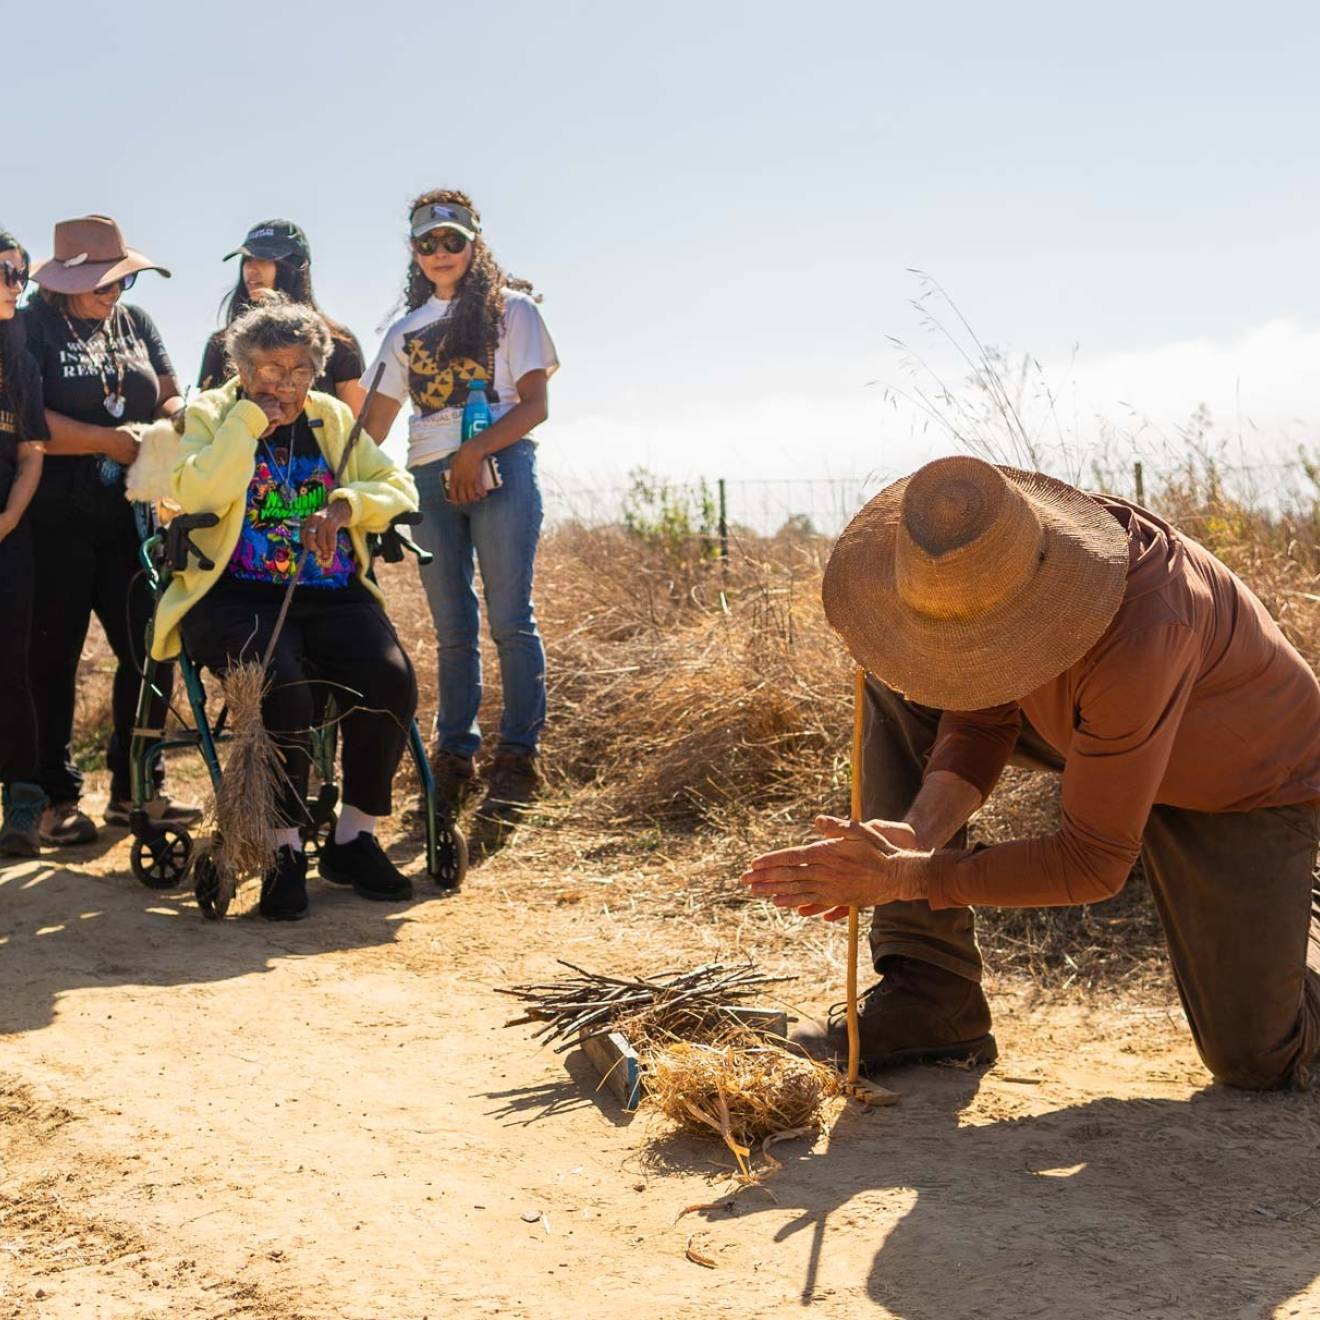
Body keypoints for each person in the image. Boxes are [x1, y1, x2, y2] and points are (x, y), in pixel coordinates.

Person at [743, 455, 1320, 1091]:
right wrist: (915, 834)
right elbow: (982, 716)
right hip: (1101, 733)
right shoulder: (1010, 564)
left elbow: (1093, 863)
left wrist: (906, 877)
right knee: (907, 687)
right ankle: (932, 995)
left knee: (1255, 1059)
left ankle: (1302, 921)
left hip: (1239, 784)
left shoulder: (1148, 623)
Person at [155, 297, 420, 921]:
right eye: (271, 370)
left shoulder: (330, 417)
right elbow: (195, 490)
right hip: (233, 596)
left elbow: (398, 485)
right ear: (242, 369)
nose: (287, 384)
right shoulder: (212, 413)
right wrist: (248, 423)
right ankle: (283, 849)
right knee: (284, 689)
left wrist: (346, 505)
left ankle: (354, 838)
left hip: (329, 592)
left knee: (390, 678)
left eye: (300, 370)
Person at [361, 189, 558, 853]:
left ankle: (518, 760)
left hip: (500, 471)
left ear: (474, 243)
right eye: (428, 243)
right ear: (413, 252)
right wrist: (338, 484)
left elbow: (533, 406)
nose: (441, 252)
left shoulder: (513, 312)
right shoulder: (404, 330)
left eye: (453, 240)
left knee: (510, 618)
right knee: (452, 628)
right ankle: (454, 757)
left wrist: (476, 450)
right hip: (428, 480)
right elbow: (375, 425)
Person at [22, 215, 200, 845]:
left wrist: (185, 420)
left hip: (132, 519)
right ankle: (53, 800)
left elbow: (168, 394)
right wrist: (103, 440)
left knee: (150, 647)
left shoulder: (136, 324)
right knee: (52, 658)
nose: (114, 293)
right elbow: (22, 416)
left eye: (121, 281)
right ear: (64, 280)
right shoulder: (29, 329)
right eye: (103, 283)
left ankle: (136, 790)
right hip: (51, 520)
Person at [198, 220, 366, 413]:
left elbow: (359, 430)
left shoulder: (339, 343)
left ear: (294, 266)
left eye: (263, 259)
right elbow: (204, 422)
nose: (251, 269)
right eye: (247, 260)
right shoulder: (222, 343)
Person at [0, 230, 49, 856]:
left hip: (9, 533)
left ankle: (22, 806)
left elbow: (31, 454)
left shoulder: (23, 360)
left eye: (20, 274)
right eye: (4, 272)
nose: (14, 283)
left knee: (12, 671)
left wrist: (9, 517)